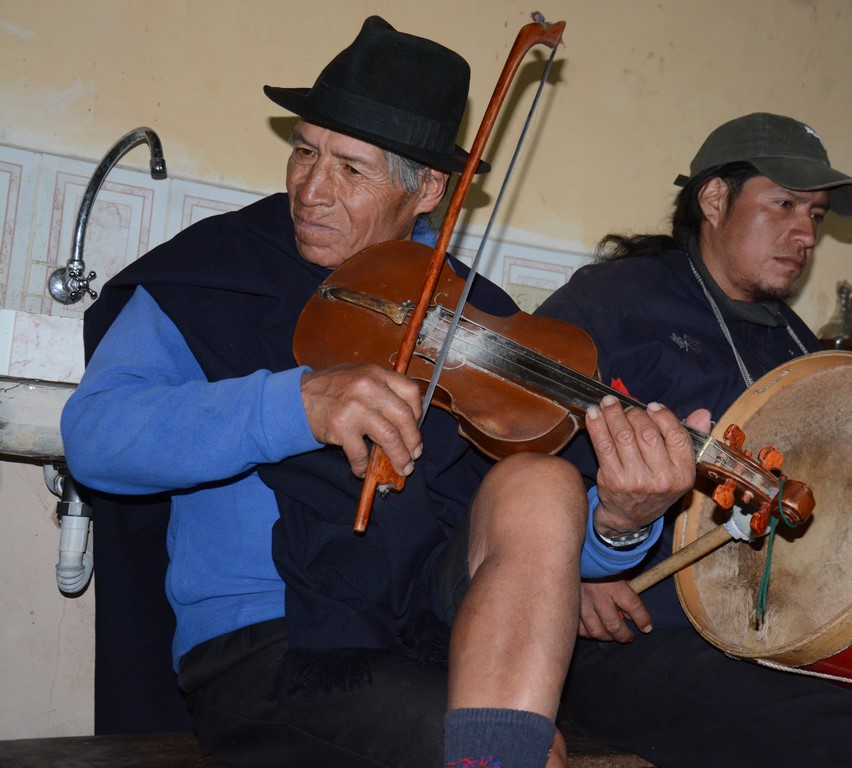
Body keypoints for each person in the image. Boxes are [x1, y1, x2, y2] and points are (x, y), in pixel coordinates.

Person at [61, 17, 696, 768]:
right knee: (525, 755)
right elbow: (96, 438)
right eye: (304, 151)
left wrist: (622, 521)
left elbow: (533, 552)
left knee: (544, 480)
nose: (311, 189)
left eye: (351, 169)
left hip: (436, 629)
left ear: (428, 188)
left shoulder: (475, 312)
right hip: (273, 644)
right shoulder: (215, 269)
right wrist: (298, 404)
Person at [535, 113, 852, 767]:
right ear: (714, 199)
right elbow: (511, 447)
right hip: (630, 638)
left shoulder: (795, 344)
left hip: (770, 638)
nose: (805, 233)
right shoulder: (616, 301)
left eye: (815, 214)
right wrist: (564, 574)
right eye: (784, 203)